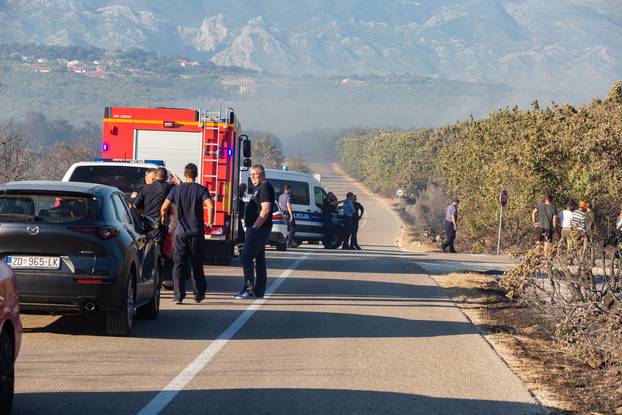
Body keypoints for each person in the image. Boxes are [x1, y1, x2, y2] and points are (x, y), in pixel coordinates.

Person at [160, 163, 213, 304]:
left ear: (185, 174)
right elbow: (210, 205)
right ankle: (199, 294)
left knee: (178, 264)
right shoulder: (201, 189)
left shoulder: (176, 190)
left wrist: (164, 219)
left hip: (180, 233)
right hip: (196, 232)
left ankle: (178, 295)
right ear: (196, 174)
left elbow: (164, 207)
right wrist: (210, 222)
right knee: (197, 263)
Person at [236, 164, 275, 299]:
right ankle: (259, 292)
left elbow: (266, 209)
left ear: (262, 174)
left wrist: (255, 226)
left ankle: (248, 289)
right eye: (251, 175)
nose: (252, 178)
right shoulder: (260, 188)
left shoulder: (265, 187)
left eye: (254, 175)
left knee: (245, 257)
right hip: (259, 230)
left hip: (259, 230)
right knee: (259, 260)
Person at [133, 167, 174, 261]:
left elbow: (134, 206)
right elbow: (181, 189)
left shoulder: (145, 188)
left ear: (155, 176)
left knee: (146, 251)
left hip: (146, 226)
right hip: (160, 225)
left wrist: (138, 221)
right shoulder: (169, 187)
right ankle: (156, 272)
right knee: (158, 253)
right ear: (165, 177)